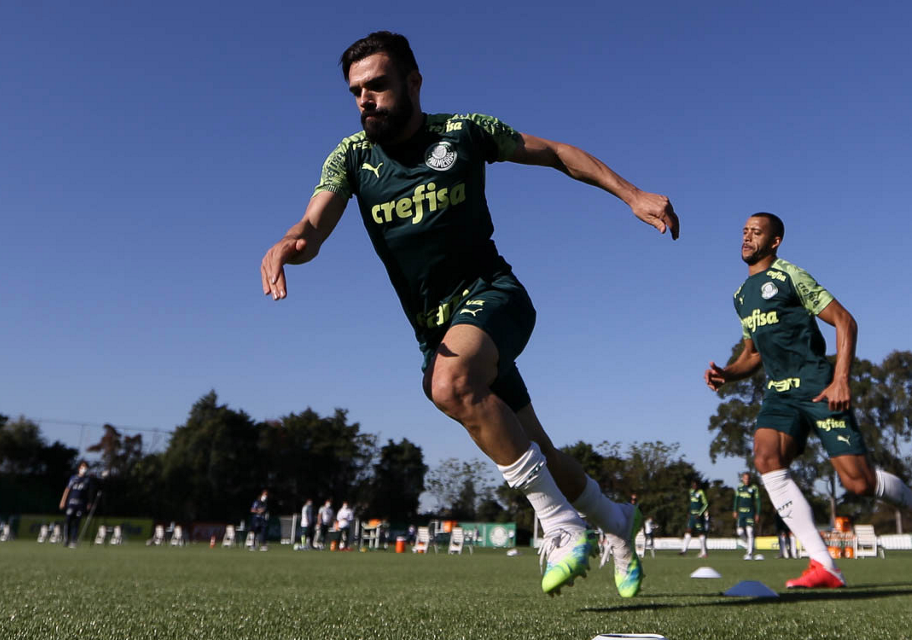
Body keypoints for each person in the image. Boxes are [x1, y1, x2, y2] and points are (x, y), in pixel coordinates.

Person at [260, 31, 678, 597]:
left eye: (377, 85)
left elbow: (556, 153)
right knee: (538, 449)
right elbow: (313, 226)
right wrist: (288, 245)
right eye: (356, 91)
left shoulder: (463, 132)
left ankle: (559, 526)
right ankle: (618, 522)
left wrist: (631, 194)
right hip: (442, 332)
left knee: (449, 383)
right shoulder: (351, 157)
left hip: (495, 296)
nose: (365, 100)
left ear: (413, 83)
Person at [704, 213, 912, 589]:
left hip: (818, 385)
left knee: (859, 482)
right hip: (779, 393)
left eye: (756, 233)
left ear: (775, 241)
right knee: (765, 458)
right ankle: (824, 564)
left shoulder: (791, 276)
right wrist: (727, 373)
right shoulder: (741, 296)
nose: (746, 238)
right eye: (744, 231)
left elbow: (845, 321)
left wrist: (841, 379)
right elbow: (753, 354)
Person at [58, 460, 93, 548]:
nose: (84, 469)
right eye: (82, 467)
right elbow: (67, 490)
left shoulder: (87, 480)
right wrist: (63, 501)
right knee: (68, 520)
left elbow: (89, 492)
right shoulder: (73, 478)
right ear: (79, 468)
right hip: (71, 503)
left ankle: (74, 540)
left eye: (85, 467)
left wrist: (89, 502)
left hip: (81, 504)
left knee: (77, 522)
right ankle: (66, 539)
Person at [733, 472, 762, 559]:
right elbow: (736, 499)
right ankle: (750, 545)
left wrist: (758, 513)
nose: (747, 480)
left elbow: (758, 501)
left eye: (748, 479)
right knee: (740, 532)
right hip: (741, 512)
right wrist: (735, 510)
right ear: (742, 479)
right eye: (745, 478)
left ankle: (749, 553)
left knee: (750, 531)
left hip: (750, 512)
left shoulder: (754, 488)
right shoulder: (739, 487)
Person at [679, 479, 709, 558]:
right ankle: (684, 550)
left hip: (698, 516)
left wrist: (700, 513)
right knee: (688, 530)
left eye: (695, 485)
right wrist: (689, 512)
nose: (694, 486)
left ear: (698, 485)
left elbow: (705, 504)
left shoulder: (701, 492)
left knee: (700, 532)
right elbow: (691, 503)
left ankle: (704, 552)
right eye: (693, 485)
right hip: (692, 515)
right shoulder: (691, 492)